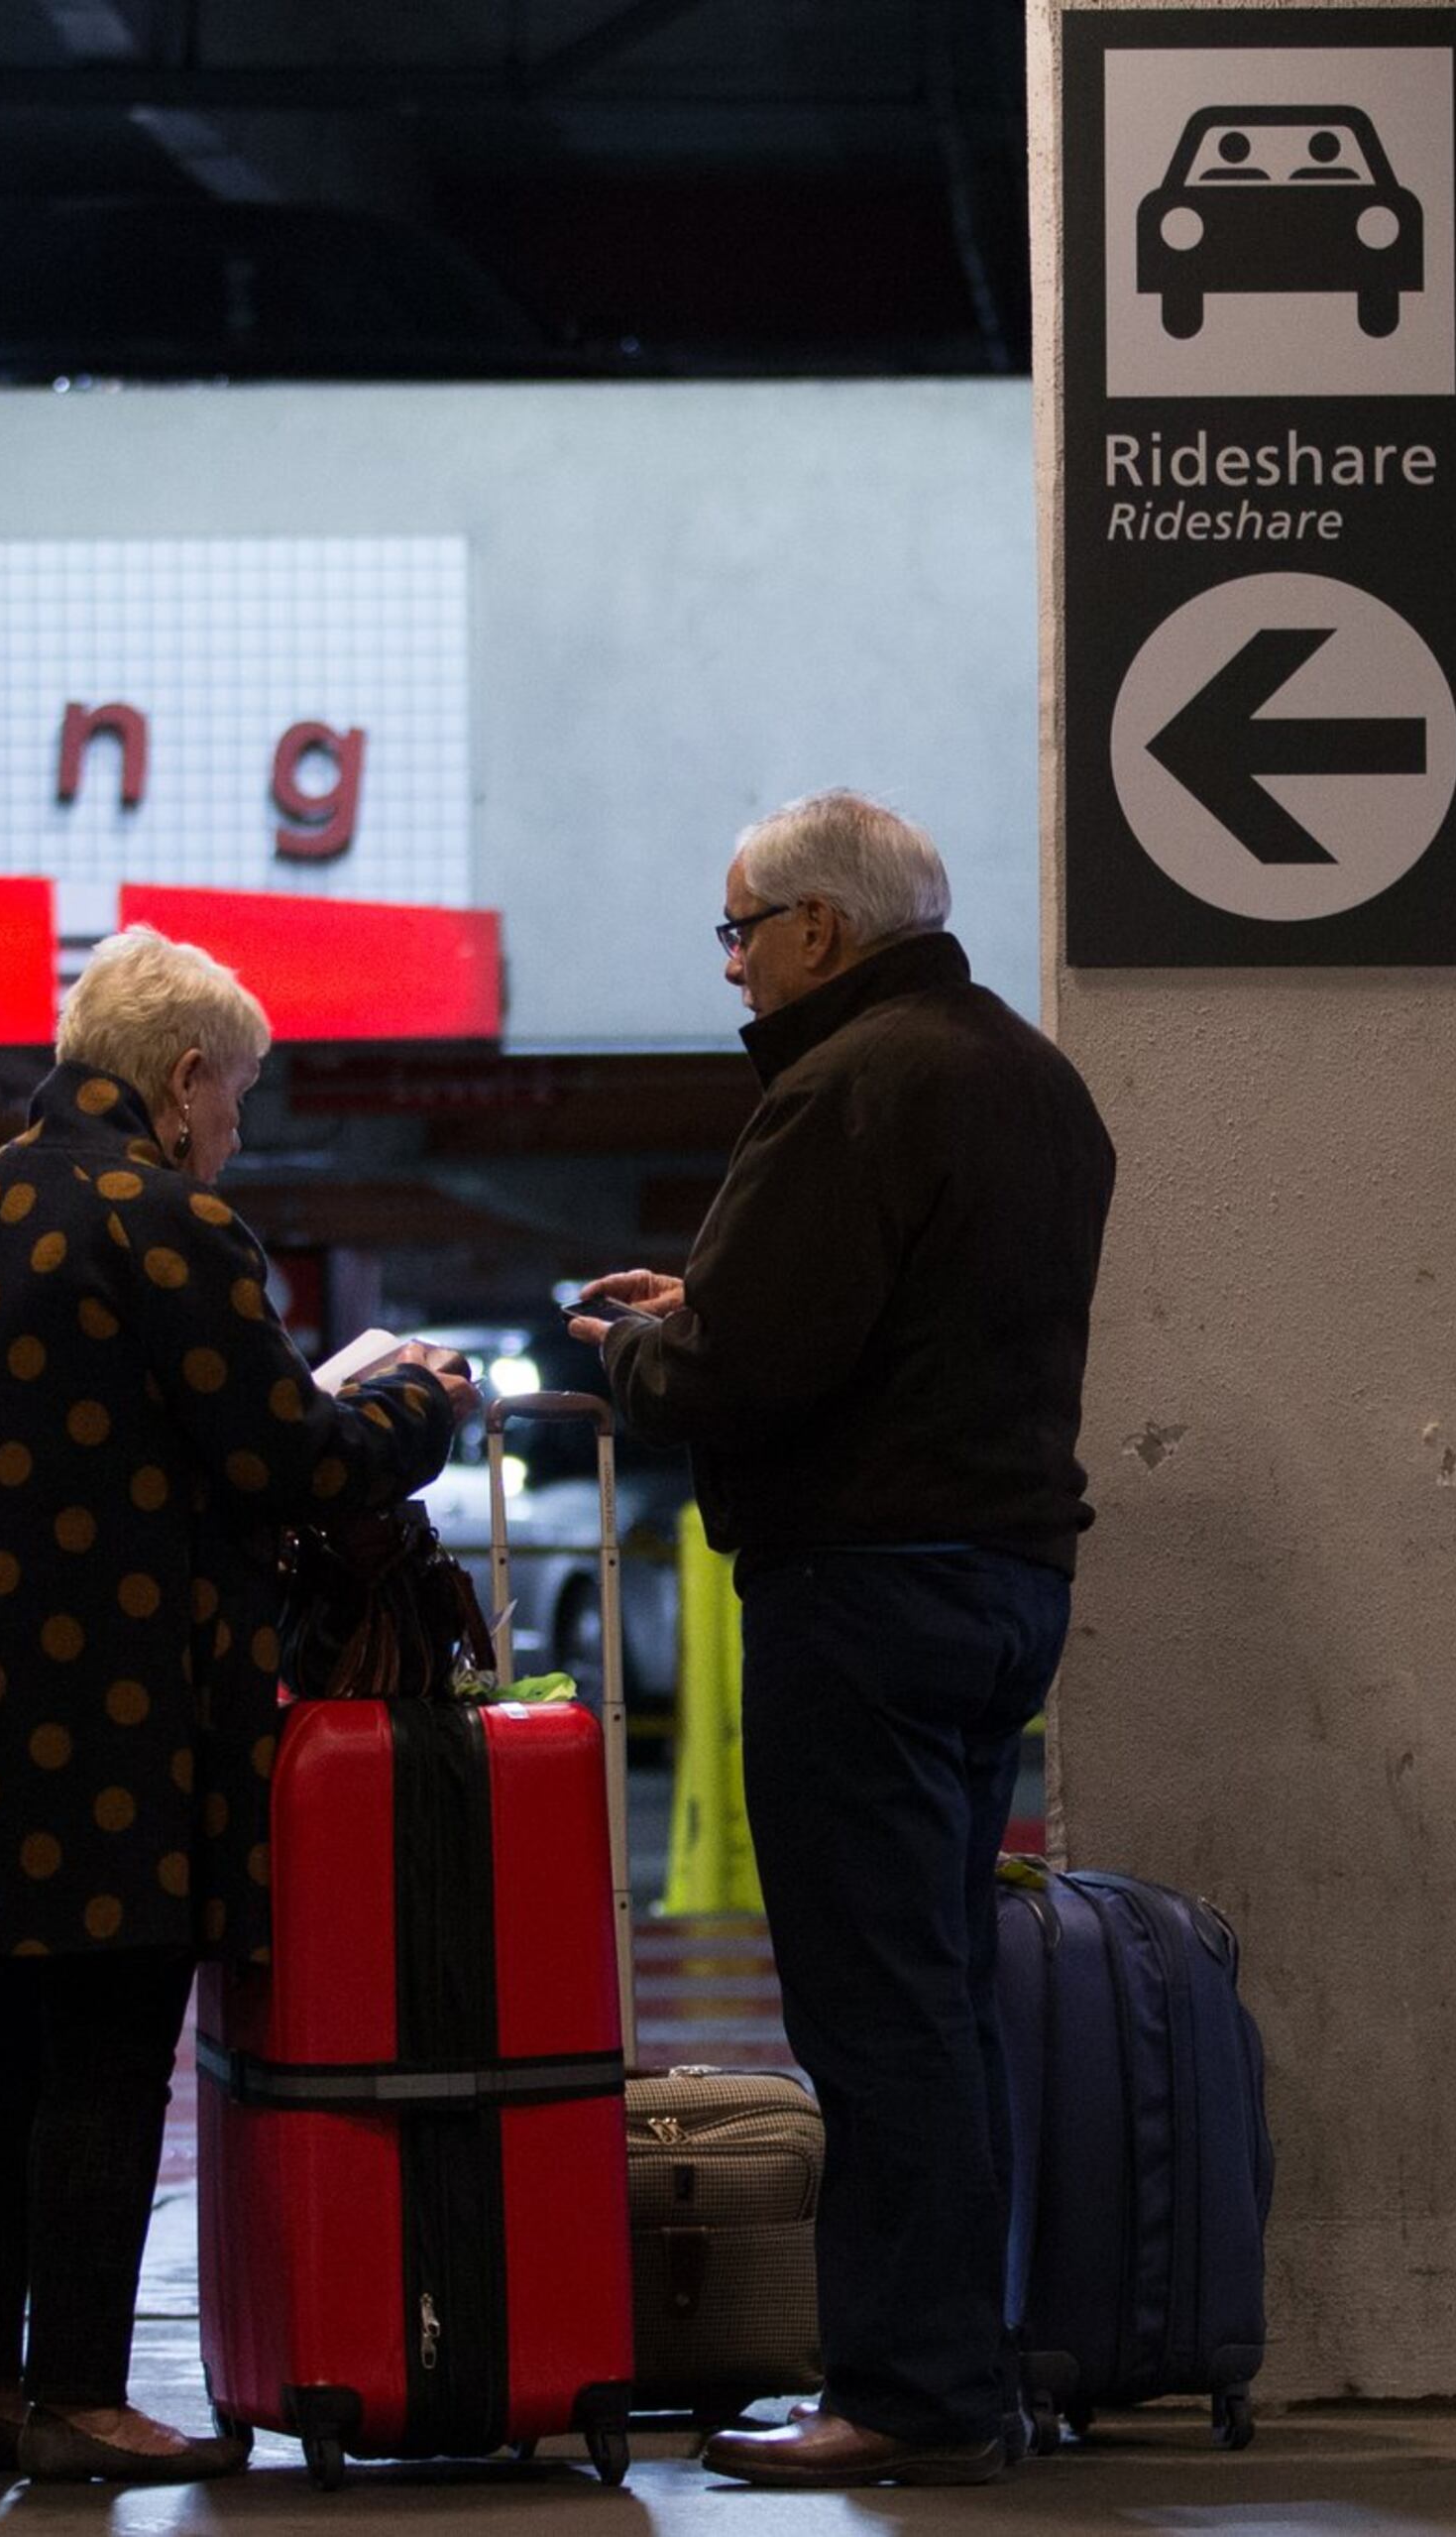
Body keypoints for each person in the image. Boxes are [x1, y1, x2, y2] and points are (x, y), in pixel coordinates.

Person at [0, 927, 478, 2486]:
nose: (238, 1128)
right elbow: (287, 1460)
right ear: (182, 1081)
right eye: (238, 1096)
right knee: (110, 2052)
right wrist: (417, 1404)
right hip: (102, 1712)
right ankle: (83, 2400)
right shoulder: (162, 1217)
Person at [571, 790, 1115, 2489]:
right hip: (1004, 1584)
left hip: (863, 1595)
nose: (733, 965)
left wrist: (640, 1352)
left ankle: (909, 2390)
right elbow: (899, 1320)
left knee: (876, 2012)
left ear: (823, 928)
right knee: (939, 1996)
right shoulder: (1037, 1079)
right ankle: (963, 2367)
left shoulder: (843, 1085)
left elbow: (749, 1375)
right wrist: (715, 1305)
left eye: (743, 931)